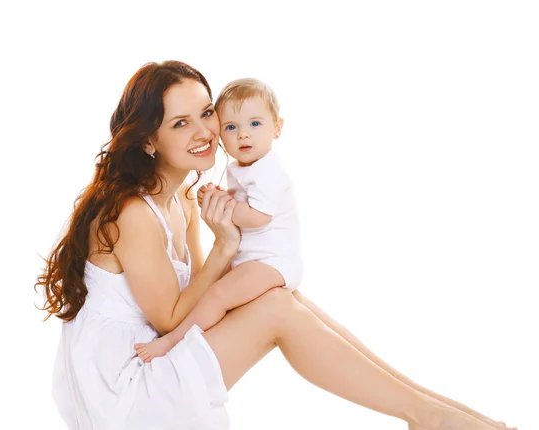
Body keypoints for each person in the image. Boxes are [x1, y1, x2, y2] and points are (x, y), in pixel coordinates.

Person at [37, 60, 515, 430]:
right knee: (277, 310)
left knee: (282, 297)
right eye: (180, 123)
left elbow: (208, 295)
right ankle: (429, 417)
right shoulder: (134, 213)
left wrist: (244, 266)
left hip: (154, 359)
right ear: (148, 140)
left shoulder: (181, 200)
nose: (205, 131)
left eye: (206, 112)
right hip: (126, 390)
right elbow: (170, 317)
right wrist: (227, 245)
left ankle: (433, 410)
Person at [134, 78, 303, 362]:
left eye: (255, 124)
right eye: (231, 127)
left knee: (217, 297)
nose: (243, 136)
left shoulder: (268, 171)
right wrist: (223, 199)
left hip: (272, 262)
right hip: (258, 261)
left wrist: (225, 205)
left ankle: (172, 341)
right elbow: (247, 206)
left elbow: (258, 216)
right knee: (220, 295)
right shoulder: (244, 168)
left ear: (277, 128)